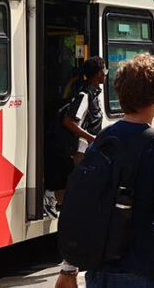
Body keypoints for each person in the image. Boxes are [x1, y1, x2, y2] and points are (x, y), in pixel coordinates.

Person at [55, 53, 154, 288]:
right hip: (142, 271)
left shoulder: (104, 139)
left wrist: (68, 268)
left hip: (98, 270)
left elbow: (86, 204)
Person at [45, 57, 107, 217]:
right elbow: (68, 121)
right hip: (81, 149)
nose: (106, 74)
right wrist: (91, 138)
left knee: (85, 185)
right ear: (99, 74)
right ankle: (51, 197)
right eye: (105, 71)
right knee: (81, 186)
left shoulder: (94, 94)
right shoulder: (85, 95)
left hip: (89, 149)